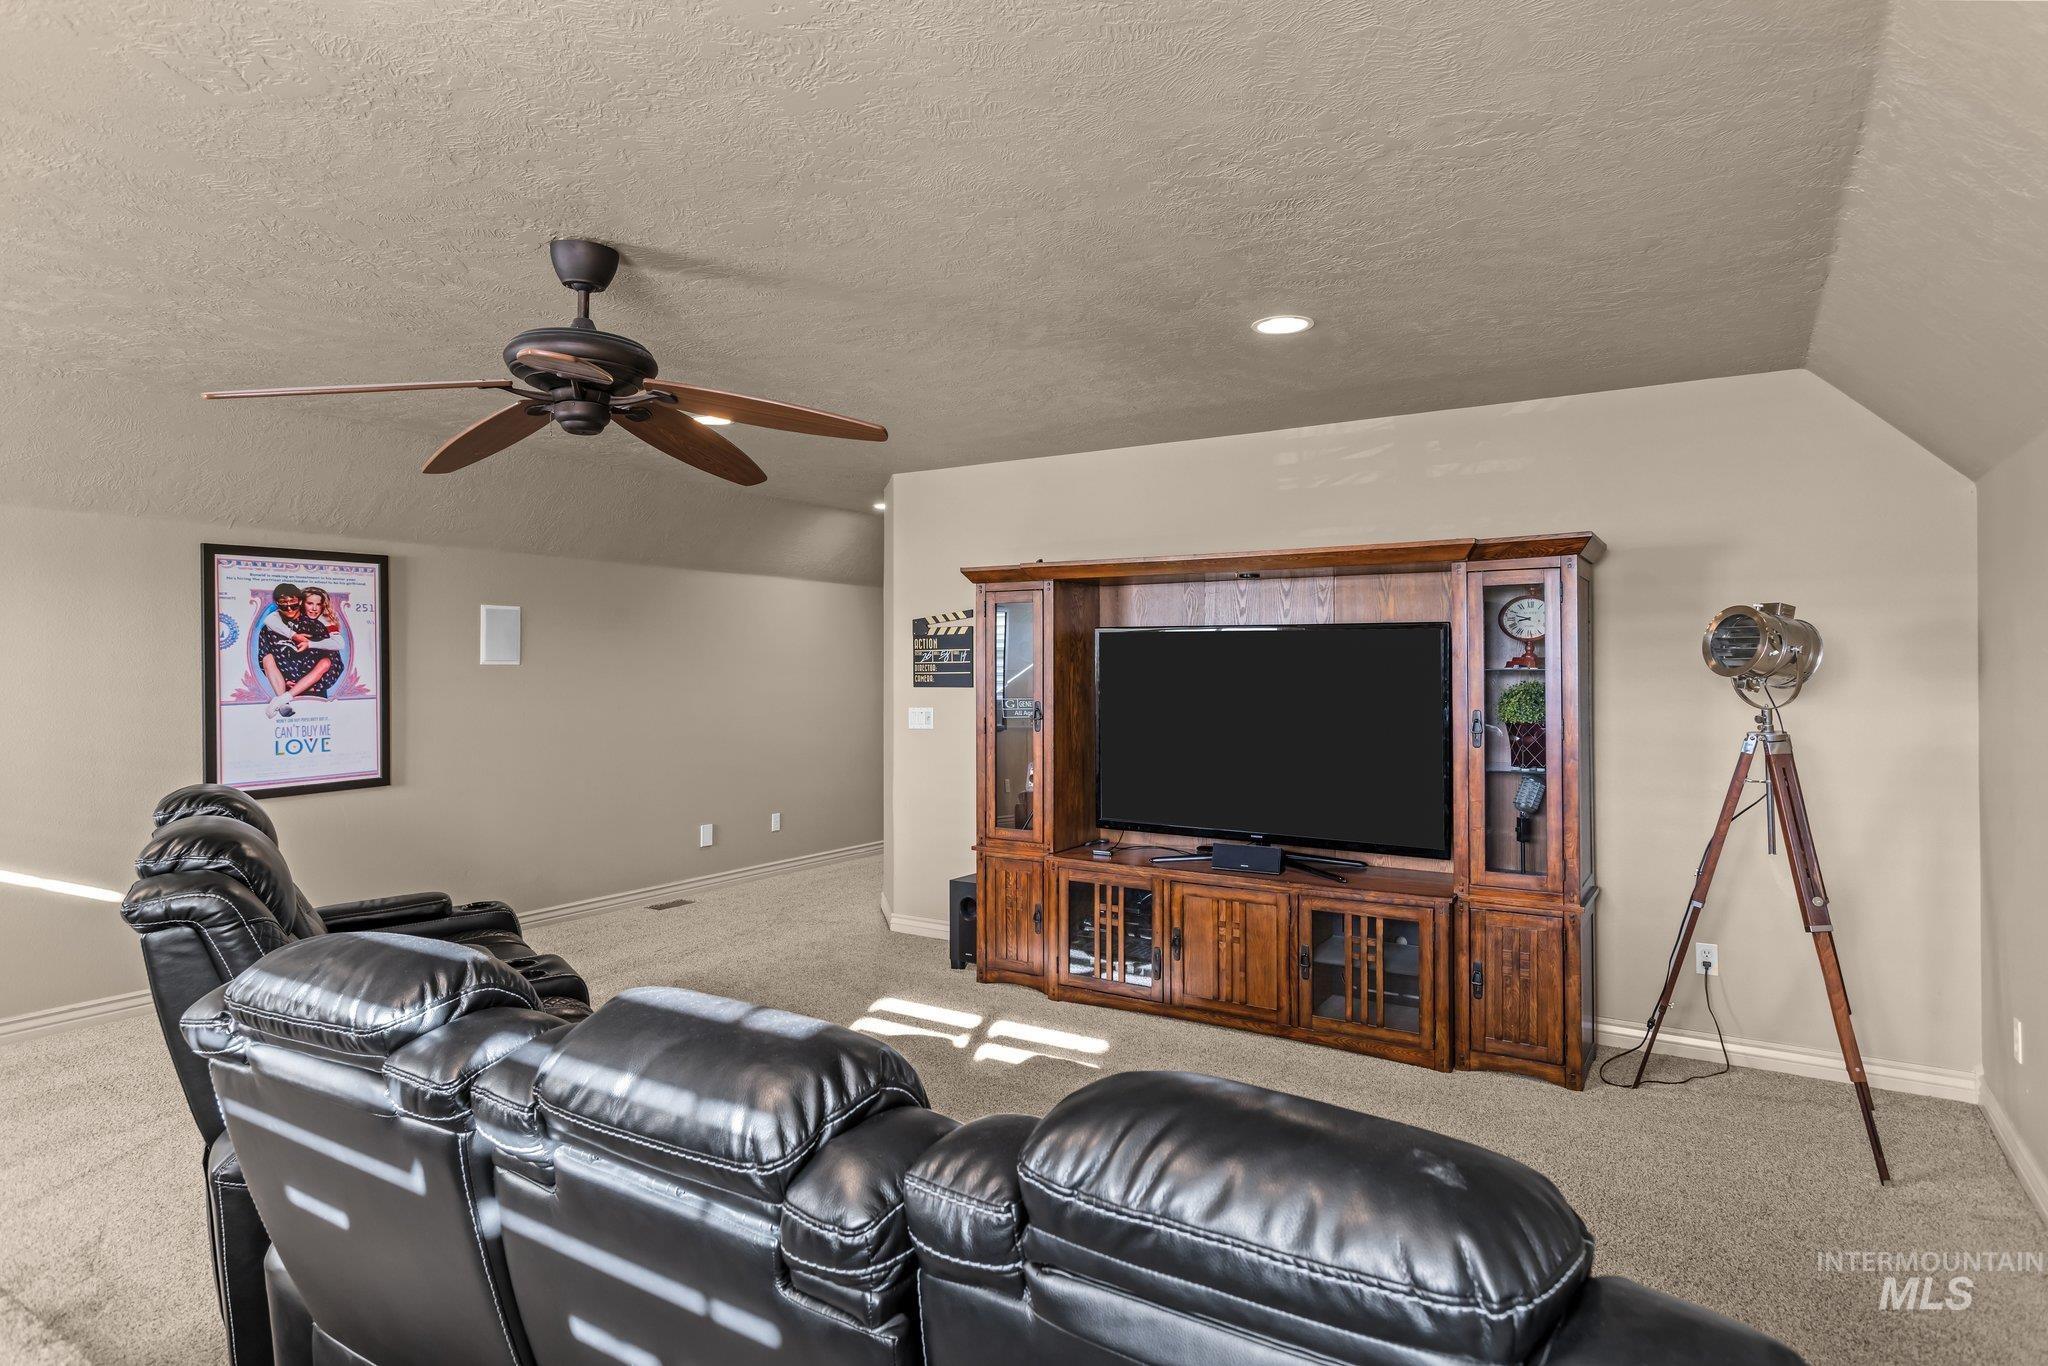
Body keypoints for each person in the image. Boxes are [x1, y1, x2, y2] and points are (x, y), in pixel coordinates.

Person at [258, 583, 341, 718]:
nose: (289, 608)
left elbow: (333, 660)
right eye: (284, 605)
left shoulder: (317, 625)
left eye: (293, 604)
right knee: (267, 658)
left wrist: (314, 685)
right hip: (284, 686)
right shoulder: (269, 627)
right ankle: (283, 702)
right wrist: (284, 680)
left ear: (300, 602)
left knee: (326, 661)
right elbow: (264, 659)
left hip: (314, 689)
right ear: (277, 604)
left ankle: (282, 700)